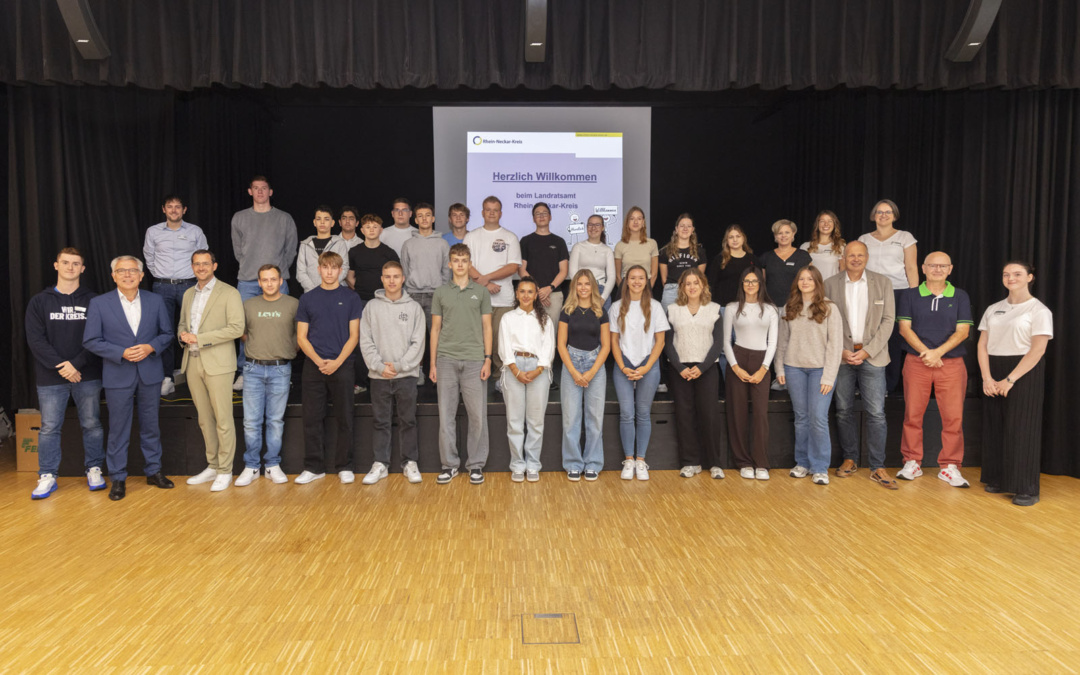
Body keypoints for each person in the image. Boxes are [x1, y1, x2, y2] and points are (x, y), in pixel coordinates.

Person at [82, 255, 176, 501]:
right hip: (117, 373)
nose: (127, 274)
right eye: (121, 271)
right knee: (118, 429)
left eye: (132, 270)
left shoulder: (155, 301)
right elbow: (90, 340)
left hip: (150, 373)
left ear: (142, 275)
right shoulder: (100, 303)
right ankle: (118, 478)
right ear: (113, 276)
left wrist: (150, 347)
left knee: (151, 426)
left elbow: (167, 333)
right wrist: (120, 352)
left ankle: (153, 471)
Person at [25, 247, 104, 499]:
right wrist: (63, 366)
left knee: (92, 424)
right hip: (51, 377)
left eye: (76, 263)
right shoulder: (39, 301)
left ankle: (94, 469)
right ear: (56, 265)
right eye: (66, 262)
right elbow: (36, 341)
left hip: (87, 374)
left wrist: (76, 365)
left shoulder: (95, 301)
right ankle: (47, 475)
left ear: (83, 269)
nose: (70, 267)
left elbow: (98, 339)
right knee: (49, 428)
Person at [978, 261, 1053, 506]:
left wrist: (1010, 379)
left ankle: (1026, 488)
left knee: (1021, 429)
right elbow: (982, 345)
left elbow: (1038, 349)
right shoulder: (993, 309)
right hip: (995, 369)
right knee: (996, 426)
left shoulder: (1038, 310)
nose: (1011, 278)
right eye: (1006, 274)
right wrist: (987, 378)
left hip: (1023, 371)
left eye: (1017, 274)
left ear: (1030, 277)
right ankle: (998, 478)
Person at [896, 252, 974, 487]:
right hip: (917, 362)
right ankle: (912, 462)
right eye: (932, 265)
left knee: (953, 418)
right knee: (913, 415)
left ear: (950, 269)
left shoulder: (959, 296)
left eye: (942, 266)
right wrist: (927, 354)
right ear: (923, 268)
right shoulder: (910, 295)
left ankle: (949, 466)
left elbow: (963, 332)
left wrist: (937, 353)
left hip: (950, 365)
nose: (937, 269)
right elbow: (904, 329)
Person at [824, 241, 897, 489]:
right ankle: (850, 459)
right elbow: (824, 321)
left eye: (860, 255)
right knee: (843, 410)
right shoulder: (830, 284)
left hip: (873, 357)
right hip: (842, 357)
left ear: (867, 257)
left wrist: (867, 351)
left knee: (876, 413)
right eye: (851, 255)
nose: (855, 259)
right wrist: (841, 351)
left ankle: (877, 466)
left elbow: (888, 321)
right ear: (843, 258)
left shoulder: (883, 282)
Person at [177, 250, 245, 492]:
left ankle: (226, 470)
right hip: (193, 362)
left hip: (218, 364)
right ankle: (213, 465)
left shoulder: (229, 293)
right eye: (197, 264)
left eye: (206, 263)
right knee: (205, 420)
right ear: (192, 267)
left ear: (214, 265)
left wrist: (200, 338)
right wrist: (183, 336)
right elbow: (183, 325)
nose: (201, 267)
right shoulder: (188, 293)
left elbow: (237, 328)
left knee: (223, 420)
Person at [295, 252, 362, 485]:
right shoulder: (307, 299)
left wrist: (336, 362)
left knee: (345, 417)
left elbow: (354, 336)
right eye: (326, 267)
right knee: (312, 418)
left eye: (334, 268)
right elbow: (301, 338)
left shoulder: (351, 298)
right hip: (314, 366)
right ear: (319, 269)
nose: (330, 272)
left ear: (341, 271)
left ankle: (345, 466)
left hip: (342, 364)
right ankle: (314, 467)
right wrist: (318, 361)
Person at [431, 243, 493, 485]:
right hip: (446, 359)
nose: (459, 264)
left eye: (464, 260)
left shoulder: (482, 292)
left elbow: (487, 327)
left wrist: (488, 358)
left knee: (477, 416)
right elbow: (435, 329)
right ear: (450, 263)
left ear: (470, 264)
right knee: (446, 415)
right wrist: (433, 362)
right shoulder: (440, 293)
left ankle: (475, 465)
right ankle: (449, 465)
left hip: (475, 359)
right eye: (455, 260)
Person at [359, 261, 426, 485]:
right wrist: (379, 366)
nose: (392, 281)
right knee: (380, 421)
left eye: (396, 276)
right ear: (381, 278)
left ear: (403, 278)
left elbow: (418, 344)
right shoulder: (371, 307)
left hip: (406, 376)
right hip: (379, 376)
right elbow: (365, 341)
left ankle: (409, 463)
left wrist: (398, 366)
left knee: (408, 420)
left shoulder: (414, 308)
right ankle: (380, 464)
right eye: (387, 276)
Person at [775, 266, 843, 485]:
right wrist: (780, 368)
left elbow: (836, 345)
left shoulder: (829, 308)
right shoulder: (790, 307)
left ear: (817, 282)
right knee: (802, 418)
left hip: (820, 371)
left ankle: (820, 467)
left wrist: (829, 377)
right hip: (794, 368)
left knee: (818, 418)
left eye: (809, 279)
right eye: (801, 279)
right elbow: (782, 341)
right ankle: (802, 463)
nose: (805, 282)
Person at [231, 176, 298, 390]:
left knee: (281, 327)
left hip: (278, 282)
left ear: (271, 192)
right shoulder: (239, 218)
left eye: (264, 188)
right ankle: (244, 371)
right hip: (248, 281)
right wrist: (254, 270)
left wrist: (275, 276)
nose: (260, 192)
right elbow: (238, 251)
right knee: (245, 327)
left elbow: (290, 250)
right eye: (256, 188)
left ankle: (282, 370)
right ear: (250, 191)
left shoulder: (284, 218)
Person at [236, 264, 298, 487]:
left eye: (274, 279)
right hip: (252, 369)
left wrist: (286, 349)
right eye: (265, 280)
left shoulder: (293, 304)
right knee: (251, 421)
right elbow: (242, 333)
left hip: (281, 369)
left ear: (281, 281)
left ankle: (272, 465)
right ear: (259, 283)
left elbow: (300, 334)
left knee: (274, 421)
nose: (269, 283)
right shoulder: (249, 305)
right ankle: (251, 466)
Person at [143, 194, 207, 395]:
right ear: (164, 209)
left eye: (177, 207)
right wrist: (162, 276)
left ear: (184, 210)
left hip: (189, 285)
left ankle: (199, 373)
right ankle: (167, 377)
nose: (173, 210)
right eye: (169, 207)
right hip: (162, 287)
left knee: (195, 328)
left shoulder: (195, 231)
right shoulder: (153, 232)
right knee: (165, 332)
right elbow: (149, 258)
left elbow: (203, 257)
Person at [610, 265, 669, 481]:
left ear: (647, 281)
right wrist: (624, 366)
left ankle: (641, 460)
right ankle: (629, 460)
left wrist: (646, 367)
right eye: (632, 278)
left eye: (641, 278)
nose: (636, 281)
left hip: (648, 365)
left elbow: (660, 341)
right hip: (623, 364)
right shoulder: (616, 307)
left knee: (643, 413)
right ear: (626, 281)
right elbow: (613, 341)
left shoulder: (655, 306)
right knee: (627, 412)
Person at [664, 268, 725, 479]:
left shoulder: (714, 309)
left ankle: (714, 463)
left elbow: (718, 343)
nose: (692, 287)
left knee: (709, 415)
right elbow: (667, 343)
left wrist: (702, 367)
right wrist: (680, 368)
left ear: (703, 286)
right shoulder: (672, 310)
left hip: (706, 368)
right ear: (682, 287)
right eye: (687, 283)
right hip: (680, 369)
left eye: (695, 283)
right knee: (684, 415)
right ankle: (690, 462)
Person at [723, 266, 779, 480]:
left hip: (761, 360)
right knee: (737, 413)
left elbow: (772, 342)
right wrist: (735, 367)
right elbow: (726, 341)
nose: (750, 284)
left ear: (760, 284)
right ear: (742, 284)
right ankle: (743, 462)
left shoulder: (771, 309)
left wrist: (764, 369)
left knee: (760, 414)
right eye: (746, 281)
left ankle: (761, 463)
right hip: (738, 357)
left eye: (754, 281)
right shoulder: (732, 308)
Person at [498, 277, 556, 482]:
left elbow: (549, 347)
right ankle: (517, 465)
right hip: (513, 368)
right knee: (514, 421)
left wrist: (538, 370)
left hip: (537, 370)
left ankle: (532, 464)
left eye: (530, 292)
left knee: (535, 421)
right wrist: (515, 370)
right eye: (522, 291)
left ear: (536, 294)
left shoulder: (545, 320)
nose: (525, 295)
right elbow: (504, 346)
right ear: (516, 294)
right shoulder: (508, 318)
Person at [859, 199, 918, 393]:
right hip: (870, 292)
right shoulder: (864, 239)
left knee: (892, 338)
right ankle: (866, 384)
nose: (883, 215)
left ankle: (889, 385)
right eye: (879, 212)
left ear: (894, 215)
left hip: (898, 292)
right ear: (873, 215)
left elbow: (911, 267)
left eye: (888, 212)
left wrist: (913, 295)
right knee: (869, 336)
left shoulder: (905, 237)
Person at [558, 269, 610, 481]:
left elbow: (606, 346)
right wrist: (573, 372)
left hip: (595, 366)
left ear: (593, 287)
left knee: (594, 418)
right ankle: (573, 463)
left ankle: (592, 463)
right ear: (574, 287)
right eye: (579, 284)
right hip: (571, 365)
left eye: (587, 284)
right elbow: (561, 344)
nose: (583, 288)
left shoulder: (600, 312)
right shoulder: (566, 311)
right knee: (571, 419)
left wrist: (590, 373)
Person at [464, 196, 521, 381]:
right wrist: (486, 284)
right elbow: (466, 263)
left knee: (500, 342)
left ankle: (499, 379)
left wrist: (486, 278)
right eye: (487, 209)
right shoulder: (471, 236)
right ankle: (474, 378)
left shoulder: (510, 237)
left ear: (500, 213)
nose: (491, 213)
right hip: (476, 298)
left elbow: (513, 267)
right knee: (475, 340)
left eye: (495, 210)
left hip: (503, 299)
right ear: (482, 212)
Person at [347, 213, 400, 394]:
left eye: (375, 226)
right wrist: (361, 290)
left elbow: (395, 279)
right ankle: (361, 382)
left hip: (383, 302)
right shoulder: (354, 251)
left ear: (381, 230)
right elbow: (350, 276)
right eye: (367, 227)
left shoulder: (389, 252)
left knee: (384, 341)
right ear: (361, 230)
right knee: (362, 341)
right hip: (360, 301)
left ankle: (385, 377)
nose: (371, 230)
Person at [401, 202, 450, 385]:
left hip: (436, 294)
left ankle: (437, 370)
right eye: (420, 215)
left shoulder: (442, 243)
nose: (424, 218)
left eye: (427, 215)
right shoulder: (408, 244)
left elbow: (447, 271)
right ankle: (418, 370)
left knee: (438, 335)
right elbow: (404, 271)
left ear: (433, 218)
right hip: (413, 294)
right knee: (415, 336)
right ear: (415, 219)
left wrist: (442, 293)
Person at [519, 202, 570, 333]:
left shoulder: (559, 242)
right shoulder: (525, 241)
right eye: (537, 214)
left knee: (551, 335)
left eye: (544, 213)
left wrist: (549, 288)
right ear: (533, 218)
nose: (541, 216)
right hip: (530, 294)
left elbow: (564, 271)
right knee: (529, 332)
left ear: (550, 217)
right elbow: (521, 269)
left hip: (553, 295)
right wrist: (536, 290)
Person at [760, 219, 813, 316]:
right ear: (775, 236)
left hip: (797, 306)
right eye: (780, 233)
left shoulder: (803, 256)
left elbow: (811, 281)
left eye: (787, 232)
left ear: (793, 234)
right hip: (771, 307)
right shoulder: (766, 257)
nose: (783, 236)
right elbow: (762, 283)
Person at [659, 213, 707, 312]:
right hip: (671, 291)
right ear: (676, 229)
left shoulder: (700, 252)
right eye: (682, 226)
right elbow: (664, 279)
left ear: (693, 229)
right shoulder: (665, 251)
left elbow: (700, 277)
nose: (685, 228)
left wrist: (691, 289)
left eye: (688, 226)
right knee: (668, 325)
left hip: (692, 290)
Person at [296, 205, 350, 293]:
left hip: (335, 291)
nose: (322, 222)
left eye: (326, 219)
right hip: (311, 293)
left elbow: (344, 267)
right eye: (318, 219)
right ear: (314, 222)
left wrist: (330, 286)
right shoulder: (305, 244)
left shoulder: (340, 243)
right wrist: (315, 290)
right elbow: (301, 272)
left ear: (332, 223)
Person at [568, 215, 616, 311]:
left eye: (597, 225)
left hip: (601, 291)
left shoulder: (607, 250)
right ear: (586, 227)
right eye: (590, 224)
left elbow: (611, 277)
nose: (593, 228)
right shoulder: (578, 247)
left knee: (602, 325)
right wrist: (581, 290)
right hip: (581, 290)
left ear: (602, 227)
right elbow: (572, 273)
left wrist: (603, 298)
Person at [707, 225, 757, 307]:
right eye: (731, 237)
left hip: (747, 305)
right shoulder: (719, 259)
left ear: (743, 238)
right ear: (726, 240)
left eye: (738, 236)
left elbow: (759, 283)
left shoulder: (752, 259)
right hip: (723, 306)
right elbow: (711, 284)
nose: (735, 240)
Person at [613, 206, 659, 288]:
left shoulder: (652, 243)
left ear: (643, 222)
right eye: (632, 218)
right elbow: (617, 276)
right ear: (627, 222)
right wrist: (623, 291)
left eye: (639, 218)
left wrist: (647, 290)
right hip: (626, 289)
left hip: (646, 288)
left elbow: (654, 274)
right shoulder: (620, 245)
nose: (635, 222)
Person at [799, 210, 846, 280]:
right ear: (817, 224)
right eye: (822, 221)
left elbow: (843, 271)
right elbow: (801, 272)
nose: (826, 224)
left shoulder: (841, 246)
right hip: (812, 288)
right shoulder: (805, 247)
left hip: (832, 289)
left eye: (830, 221)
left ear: (834, 224)